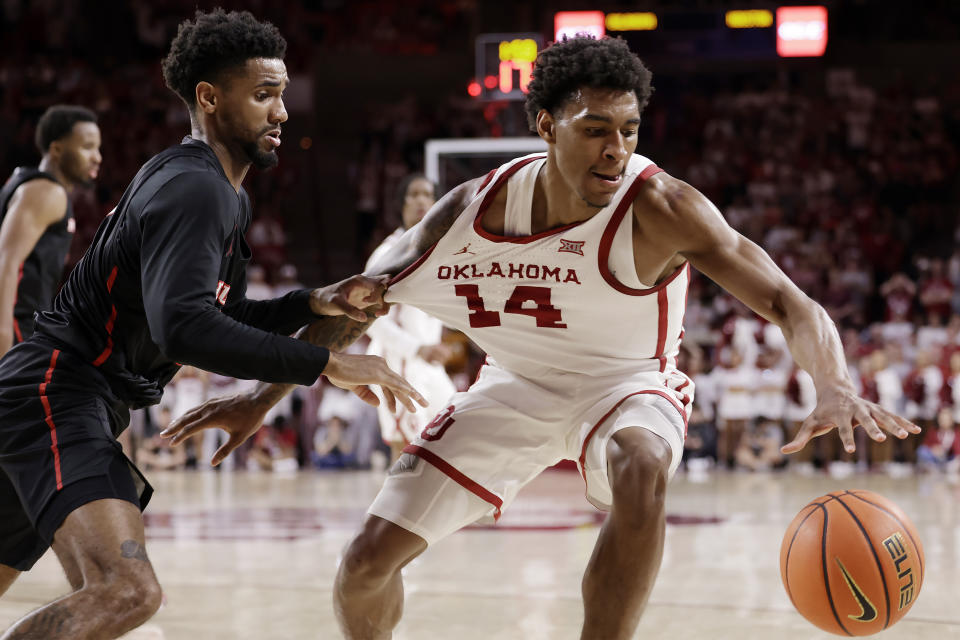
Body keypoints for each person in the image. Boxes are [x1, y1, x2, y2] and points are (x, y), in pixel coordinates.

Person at [166, 37, 920, 639]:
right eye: (595, 131)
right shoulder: (462, 215)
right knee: (364, 567)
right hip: (513, 387)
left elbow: (791, 303)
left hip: (630, 384)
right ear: (546, 126)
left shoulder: (663, 206)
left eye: (628, 131)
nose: (616, 150)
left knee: (641, 464)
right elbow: (350, 309)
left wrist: (832, 382)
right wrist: (258, 403)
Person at [0, 10, 423, 640]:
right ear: (209, 97)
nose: (280, 113)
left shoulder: (209, 184)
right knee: (125, 594)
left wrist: (313, 303)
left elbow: (212, 312)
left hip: (54, 395)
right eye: (263, 96)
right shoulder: (198, 191)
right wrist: (327, 363)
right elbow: (185, 329)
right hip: (58, 393)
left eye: (281, 95)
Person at [365, 174, 456, 460]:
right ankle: (394, 506)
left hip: (429, 365)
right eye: (413, 194)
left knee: (454, 437)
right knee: (406, 451)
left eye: (427, 194)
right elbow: (370, 320)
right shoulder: (386, 253)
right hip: (398, 363)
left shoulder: (438, 251)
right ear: (401, 203)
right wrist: (418, 348)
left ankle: (435, 504)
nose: (421, 200)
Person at [0, 105, 101, 359]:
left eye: (98, 148)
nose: (97, 157)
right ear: (56, 149)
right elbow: (6, 263)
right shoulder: (47, 192)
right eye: (87, 147)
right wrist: (3, 340)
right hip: (14, 335)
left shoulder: (31, 184)